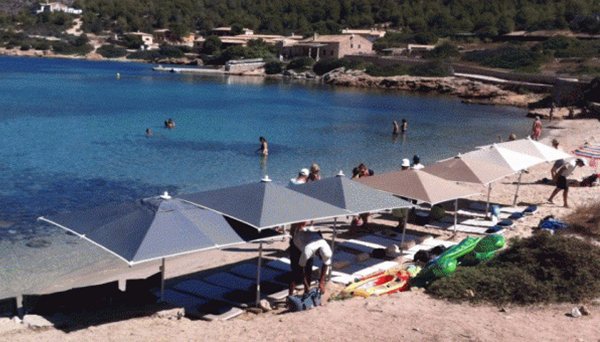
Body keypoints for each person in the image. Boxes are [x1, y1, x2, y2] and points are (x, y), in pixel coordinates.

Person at [291, 222, 332, 295]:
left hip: (309, 239)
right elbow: (301, 269)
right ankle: (290, 295)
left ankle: (307, 292)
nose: (320, 259)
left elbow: (325, 265)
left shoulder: (327, 249)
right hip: (297, 243)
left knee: (309, 270)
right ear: (317, 253)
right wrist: (305, 285)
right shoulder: (308, 250)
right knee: (296, 272)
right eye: (320, 257)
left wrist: (321, 282)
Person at [288, 222, 314, 296]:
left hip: (304, 245)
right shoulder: (296, 229)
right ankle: (291, 295)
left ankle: (305, 292)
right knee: (297, 272)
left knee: (307, 271)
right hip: (299, 247)